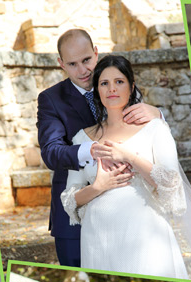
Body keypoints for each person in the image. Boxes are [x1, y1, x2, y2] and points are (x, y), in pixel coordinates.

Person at [59, 54, 191, 280]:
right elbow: (69, 199)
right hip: (98, 239)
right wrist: (98, 186)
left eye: (119, 81)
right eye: (104, 83)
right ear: (96, 90)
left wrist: (129, 156)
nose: (112, 88)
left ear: (131, 87)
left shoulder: (155, 129)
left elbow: (171, 183)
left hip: (145, 236)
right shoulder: (81, 139)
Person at [37, 29, 160, 268]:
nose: (82, 70)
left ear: (96, 53)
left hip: (128, 213)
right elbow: (51, 152)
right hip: (73, 215)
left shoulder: (120, 86)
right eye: (72, 64)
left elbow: (148, 135)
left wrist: (157, 114)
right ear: (61, 64)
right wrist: (90, 149)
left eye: (86, 60)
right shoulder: (51, 99)